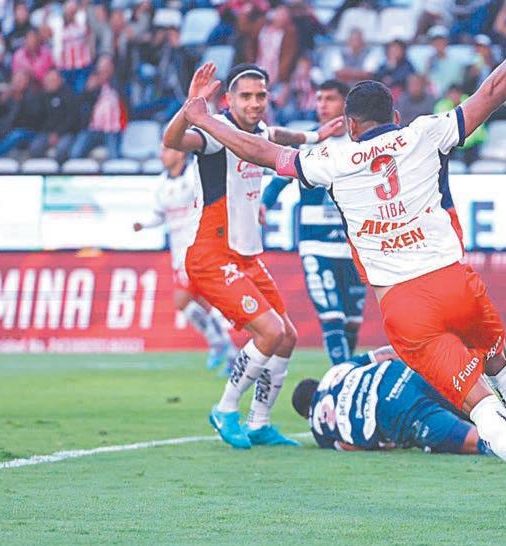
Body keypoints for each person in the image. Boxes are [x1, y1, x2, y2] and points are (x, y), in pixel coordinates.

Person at [181, 18, 506, 520]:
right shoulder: (425, 132)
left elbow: (264, 152)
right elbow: (491, 93)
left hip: (403, 306)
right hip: (453, 281)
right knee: (504, 373)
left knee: (477, 403)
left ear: (351, 125)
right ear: (395, 116)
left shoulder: (335, 159)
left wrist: (203, 117)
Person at [162, 62, 344, 449]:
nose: (254, 103)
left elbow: (278, 134)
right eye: (245, 96)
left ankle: (259, 422)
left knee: (287, 337)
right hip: (211, 255)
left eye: (260, 95)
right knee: (270, 332)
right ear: (228, 100)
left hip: (245, 254)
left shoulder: (259, 131)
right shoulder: (215, 132)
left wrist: (316, 135)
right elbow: (173, 139)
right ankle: (225, 408)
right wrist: (191, 107)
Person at [291, 345, 506, 460]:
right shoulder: (336, 372)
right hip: (407, 375)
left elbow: (351, 446)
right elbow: (384, 354)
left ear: (307, 412)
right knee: (487, 412)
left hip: (397, 412)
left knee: (476, 440)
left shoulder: (319, 428)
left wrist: (386, 443)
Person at [262, 80, 366, 366]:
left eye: (330, 98)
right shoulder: (307, 143)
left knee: (351, 322)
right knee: (331, 317)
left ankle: (345, 374)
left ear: (346, 104)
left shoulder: (362, 144)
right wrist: (263, 204)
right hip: (316, 245)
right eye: (319, 99)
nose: (322, 104)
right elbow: (279, 180)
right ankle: (343, 378)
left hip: (355, 247)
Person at [134, 147, 237, 372]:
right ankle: (229, 351)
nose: (161, 155)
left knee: (183, 299)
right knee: (201, 304)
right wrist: (143, 224)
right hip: (178, 254)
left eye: (167, 150)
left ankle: (219, 343)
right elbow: (159, 215)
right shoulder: (161, 184)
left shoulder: (194, 176)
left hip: (198, 248)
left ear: (181, 154)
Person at [69, 55, 122, 160]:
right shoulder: (92, 84)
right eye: (102, 67)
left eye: (107, 67)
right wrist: (89, 90)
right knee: (75, 153)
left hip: (112, 130)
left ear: (112, 69)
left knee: (114, 157)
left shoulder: (118, 84)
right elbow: (79, 104)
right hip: (92, 129)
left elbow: (124, 104)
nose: (104, 71)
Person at [29, 69, 78, 162]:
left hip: (66, 133)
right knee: (35, 148)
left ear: (60, 81)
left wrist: (58, 133)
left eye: (53, 80)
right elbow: (38, 118)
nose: (50, 83)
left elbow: (71, 119)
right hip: (46, 133)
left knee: (61, 151)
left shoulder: (69, 95)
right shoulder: (42, 97)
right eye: (48, 81)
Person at [424, 26, 466, 97]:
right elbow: (426, 83)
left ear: (446, 41)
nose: (438, 43)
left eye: (441, 40)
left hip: (451, 97)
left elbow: (458, 83)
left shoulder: (455, 61)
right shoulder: (429, 61)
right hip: (432, 98)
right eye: (435, 41)